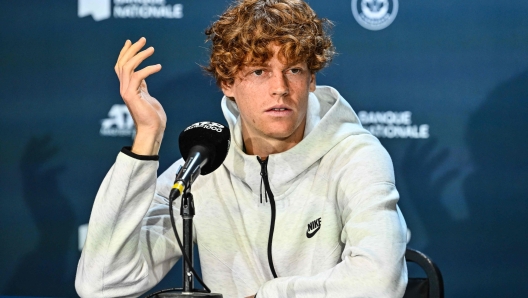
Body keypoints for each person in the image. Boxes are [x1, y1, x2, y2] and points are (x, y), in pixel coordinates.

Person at [75, 0, 408, 297]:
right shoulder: (203, 168)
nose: (280, 88)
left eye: (293, 70)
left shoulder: (356, 156)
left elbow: (379, 283)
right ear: (228, 82)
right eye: (259, 71)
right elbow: (102, 284)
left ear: (311, 80)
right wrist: (147, 135)